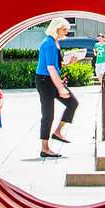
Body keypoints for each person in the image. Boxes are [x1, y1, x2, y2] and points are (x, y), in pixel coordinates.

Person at [36, 17, 78, 158]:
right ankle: (45, 148)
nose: (66, 32)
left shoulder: (55, 42)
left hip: (52, 79)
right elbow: (50, 68)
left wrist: (69, 63)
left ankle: (58, 132)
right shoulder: (48, 43)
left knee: (72, 103)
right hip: (45, 81)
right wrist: (60, 88)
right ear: (56, 28)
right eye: (64, 29)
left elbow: (56, 65)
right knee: (48, 114)